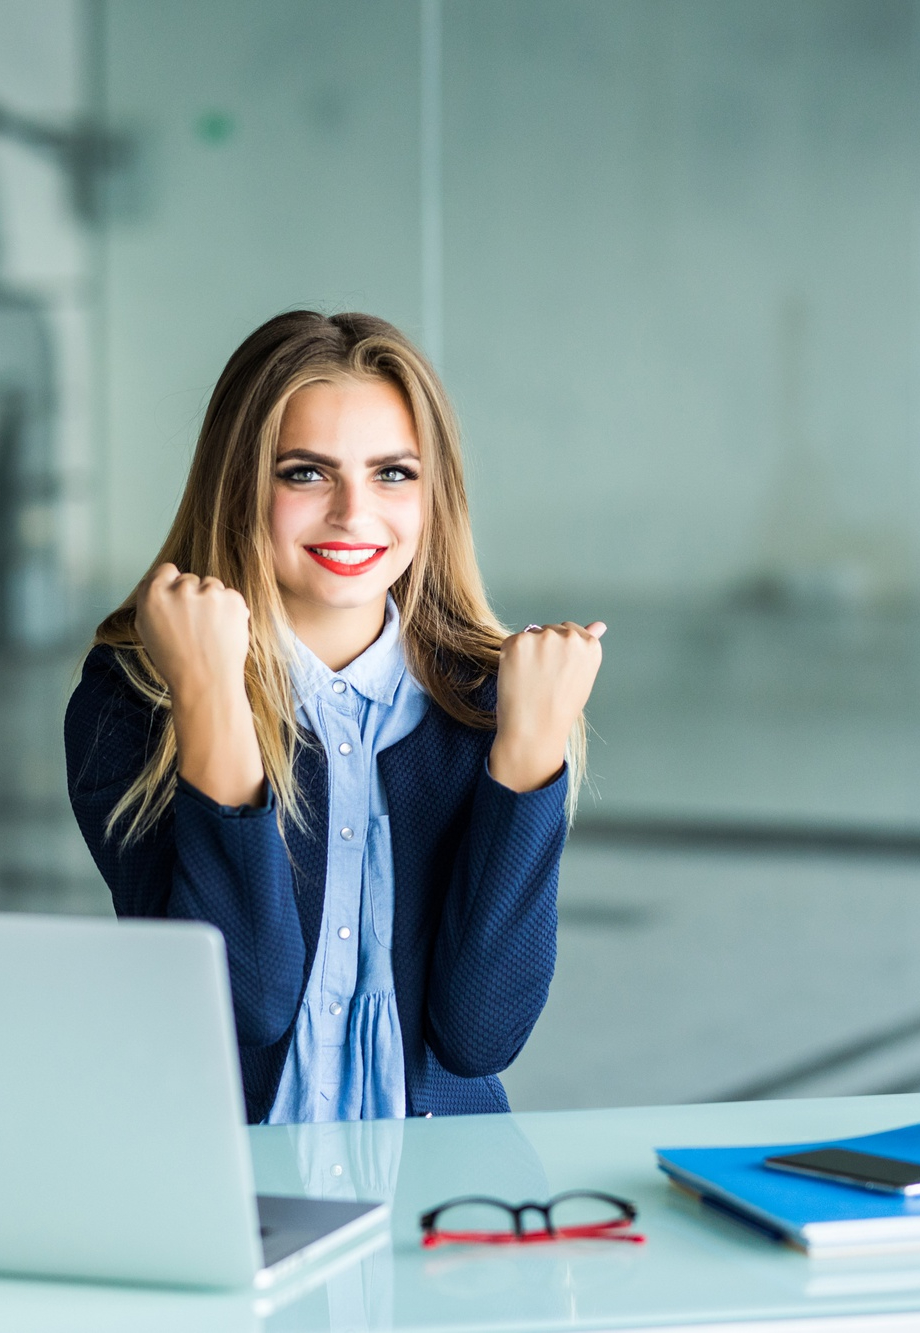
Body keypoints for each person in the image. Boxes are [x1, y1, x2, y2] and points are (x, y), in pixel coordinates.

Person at [64, 310, 604, 1123]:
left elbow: (480, 1035)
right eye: (306, 473)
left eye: (392, 474)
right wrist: (212, 691)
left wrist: (528, 749)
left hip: (443, 1197)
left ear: (434, 494)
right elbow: (246, 1004)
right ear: (240, 484)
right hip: (229, 1188)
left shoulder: (490, 699)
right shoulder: (136, 699)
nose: (355, 513)